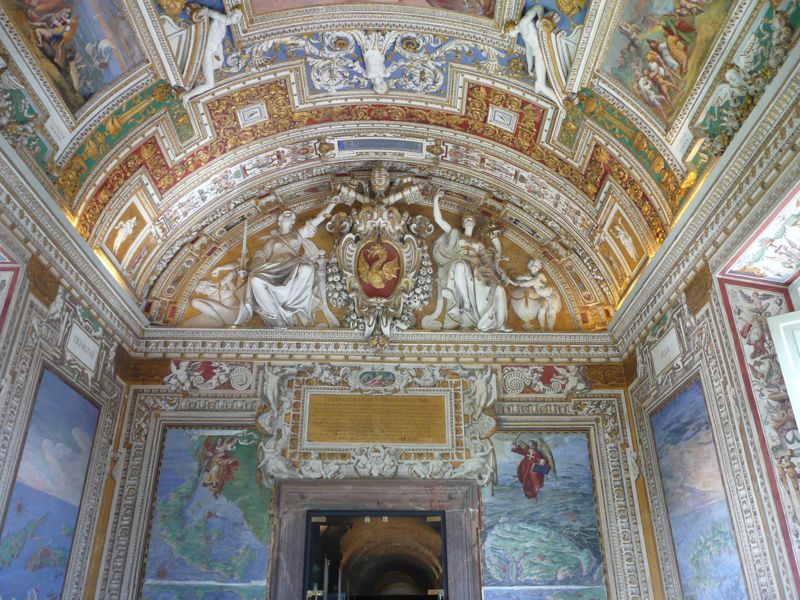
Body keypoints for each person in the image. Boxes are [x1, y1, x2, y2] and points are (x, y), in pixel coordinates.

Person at [234, 202, 336, 328]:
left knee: (307, 268)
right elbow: (261, 256)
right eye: (287, 214)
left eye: (292, 216)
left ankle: (290, 306)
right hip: (273, 269)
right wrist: (248, 271)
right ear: (279, 220)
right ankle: (275, 316)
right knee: (255, 280)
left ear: (293, 222)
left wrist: (331, 205)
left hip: (292, 266)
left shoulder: (297, 234)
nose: (290, 216)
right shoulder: (271, 240)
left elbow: (315, 221)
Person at [428, 190, 510, 332]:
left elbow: (487, 261)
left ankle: (492, 319)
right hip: (460, 264)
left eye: (471, 219)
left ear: (474, 223)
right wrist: (436, 200)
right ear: (463, 224)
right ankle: (465, 303)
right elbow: (439, 220)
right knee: (460, 265)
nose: (469, 220)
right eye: (466, 219)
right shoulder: (456, 235)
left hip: (476, 268)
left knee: (494, 286)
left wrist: (498, 267)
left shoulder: (479, 243)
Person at [182, 6, 243, 105]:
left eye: (238, 18)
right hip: (207, 51)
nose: (237, 19)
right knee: (210, 84)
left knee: (214, 68)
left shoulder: (224, 24)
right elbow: (211, 13)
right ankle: (187, 96)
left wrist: (221, 57)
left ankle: (188, 93)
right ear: (231, 13)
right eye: (236, 16)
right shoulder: (223, 19)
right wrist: (204, 11)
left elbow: (219, 44)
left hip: (210, 52)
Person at [507, 4, 560, 105]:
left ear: (511, 28)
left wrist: (540, 19)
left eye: (509, 33)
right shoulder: (523, 33)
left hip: (541, 51)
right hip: (539, 54)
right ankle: (556, 98)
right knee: (539, 85)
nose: (511, 35)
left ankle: (560, 103)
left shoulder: (523, 23)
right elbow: (528, 51)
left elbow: (537, 8)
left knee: (542, 86)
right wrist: (529, 68)